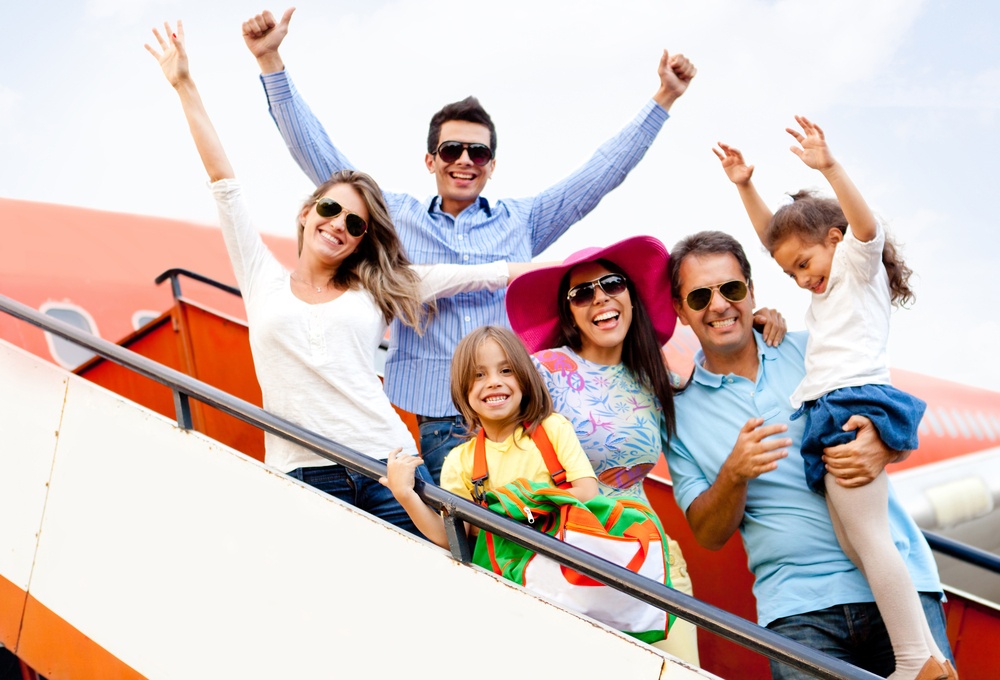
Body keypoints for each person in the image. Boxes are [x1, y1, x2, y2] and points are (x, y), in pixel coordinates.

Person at [241, 8, 697, 484]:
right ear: (430, 160)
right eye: (451, 150)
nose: (464, 160)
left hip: (519, 416)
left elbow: (598, 176)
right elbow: (321, 156)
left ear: (491, 164)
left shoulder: (524, 222)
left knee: (517, 543)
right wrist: (271, 63)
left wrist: (662, 99)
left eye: (477, 152)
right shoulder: (396, 219)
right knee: (459, 547)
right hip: (440, 418)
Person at [145, 22, 534, 538]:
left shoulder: (376, 286)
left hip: (389, 465)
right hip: (304, 469)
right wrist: (184, 85)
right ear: (307, 212)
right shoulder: (262, 278)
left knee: (441, 574)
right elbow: (225, 185)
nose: (339, 225)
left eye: (355, 223)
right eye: (331, 210)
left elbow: (477, 274)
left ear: (360, 239)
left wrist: (571, 277)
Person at [713, 118, 952, 680]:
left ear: (835, 241)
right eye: (790, 273)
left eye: (805, 265)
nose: (800, 280)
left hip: (853, 404)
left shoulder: (855, 264)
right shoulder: (823, 283)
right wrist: (745, 186)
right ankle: (926, 655)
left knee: (869, 539)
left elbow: (864, 225)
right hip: (829, 407)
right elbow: (776, 238)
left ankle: (917, 659)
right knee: (854, 541)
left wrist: (828, 167)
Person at [665, 229, 955, 679]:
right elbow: (708, 533)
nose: (719, 305)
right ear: (681, 312)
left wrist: (881, 445)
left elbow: (898, 413)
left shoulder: (813, 347)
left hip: (899, 591)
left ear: (752, 291)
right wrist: (734, 474)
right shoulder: (679, 414)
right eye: (700, 297)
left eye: (732, 288)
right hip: (797, 611)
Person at [503, 235, 785, 664]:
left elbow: (718, 377)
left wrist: (758, 330)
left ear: (631, 298)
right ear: (570, 312)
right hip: (568, 557)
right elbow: (500, 447)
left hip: (650, 557)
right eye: (582, 293)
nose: (600, 298)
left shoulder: (658, 380)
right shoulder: (544, 371)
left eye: (612, 284)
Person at [382, 325, 598, 547]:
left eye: (506, 371)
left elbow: (589, 493)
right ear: (462, 390)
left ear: (525, 378)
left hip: (561, 564)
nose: (494, 382)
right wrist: (405, 495)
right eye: (478, 375)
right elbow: (453, 537)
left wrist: (515, 509)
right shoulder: (460, 461)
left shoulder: (553, 428)